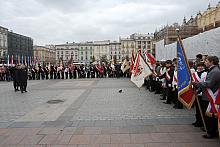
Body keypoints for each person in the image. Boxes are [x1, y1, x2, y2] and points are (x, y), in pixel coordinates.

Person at [193, 56, 220, 139]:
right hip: (207, 95)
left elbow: (208, 83)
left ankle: (211, 132)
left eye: (206, 61)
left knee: (211, 116)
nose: (205, 62)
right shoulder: (212, 70)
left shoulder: (215, 71)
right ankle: (209, 129)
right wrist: (198, 91)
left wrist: (196, 84)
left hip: (211, 96)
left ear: (211, 62)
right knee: (208, 115)